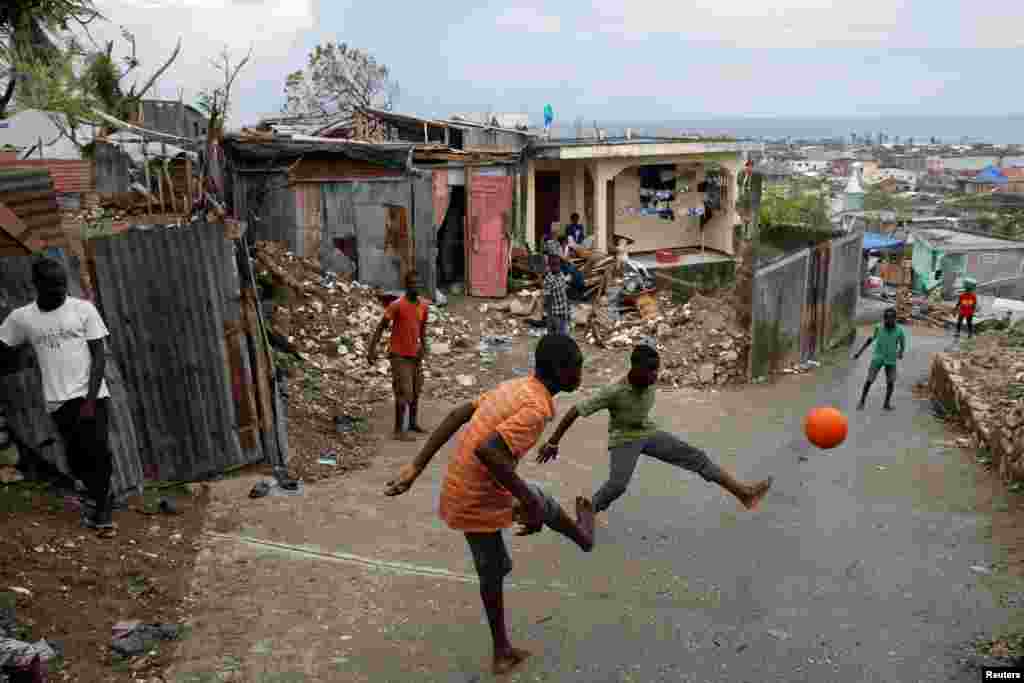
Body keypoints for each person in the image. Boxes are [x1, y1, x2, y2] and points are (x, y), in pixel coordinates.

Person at [383, 334, 595, 675]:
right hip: (474, 497)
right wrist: (527, 504)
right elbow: (489, 452)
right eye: (578, 366)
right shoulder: (536, 409)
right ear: (561, 370)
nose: (582, 372)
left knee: (540, 502)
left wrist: (416, 467)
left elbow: (457, 414)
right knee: (496, 566)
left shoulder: (516, 387)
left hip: (471, 487)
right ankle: (502, 652)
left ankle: (583, 538)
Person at [537, 344, 773, 519]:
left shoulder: (649, 379)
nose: (655, 376)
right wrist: (553, 442)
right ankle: (588, 512)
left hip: (647, 432)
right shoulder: (614, 391)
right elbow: (575, 410)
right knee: (618, 485)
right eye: (650, 372)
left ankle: (744, 494)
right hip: (624, 439)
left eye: (656, 371)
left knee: (697, 457)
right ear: (635, 369)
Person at [0, 257, 116, 537]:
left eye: (63, 284)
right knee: (76, 456)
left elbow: (99, 355)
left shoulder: (83, 310)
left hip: (91, 396)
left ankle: (103, 514)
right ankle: (96, 496)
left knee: (98, 452)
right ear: (37, 286)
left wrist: (90, 400)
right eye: (53, 286)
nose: (60, 290)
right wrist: (19, 361)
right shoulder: (22, 318)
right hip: (57, 400)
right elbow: (4, 345)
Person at [368, 272, 429, 441]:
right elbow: (381, 326)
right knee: (404, 392)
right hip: (399, 356)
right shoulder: (397, 305)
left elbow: (422, 329)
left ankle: (412, 423)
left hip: (415, 355)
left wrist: (424, 347)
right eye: (412, 283)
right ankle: (398, 430)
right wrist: (371, 349)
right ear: (406, 285)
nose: (415, 286)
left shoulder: (424, 306)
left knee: (416, 390)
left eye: (417, 283)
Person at [854, 307, 907, 411]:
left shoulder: (899, 330)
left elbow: (902, 343)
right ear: (884, 319)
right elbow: (870, 339)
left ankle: (886, 404)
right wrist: (859, 353)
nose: (888, 320)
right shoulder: (879, 327)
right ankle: (861, 401)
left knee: (890, 382)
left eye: (891, 318)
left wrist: (901, 353)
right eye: (886, 318)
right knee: (869, 380)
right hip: (877, 359)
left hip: (891, 360)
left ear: (895, 319)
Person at [543, 252, 571, 336]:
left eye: (558, 264)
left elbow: (564, 292)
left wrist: (568, 308)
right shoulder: (548, 280)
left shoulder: (561, 274)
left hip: (564, 310)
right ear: (550, 266)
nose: (557, 267)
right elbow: (548, 299)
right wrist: (549, 317)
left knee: (563, 333)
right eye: (554, 265)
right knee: (558, 334)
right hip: (555, 313)